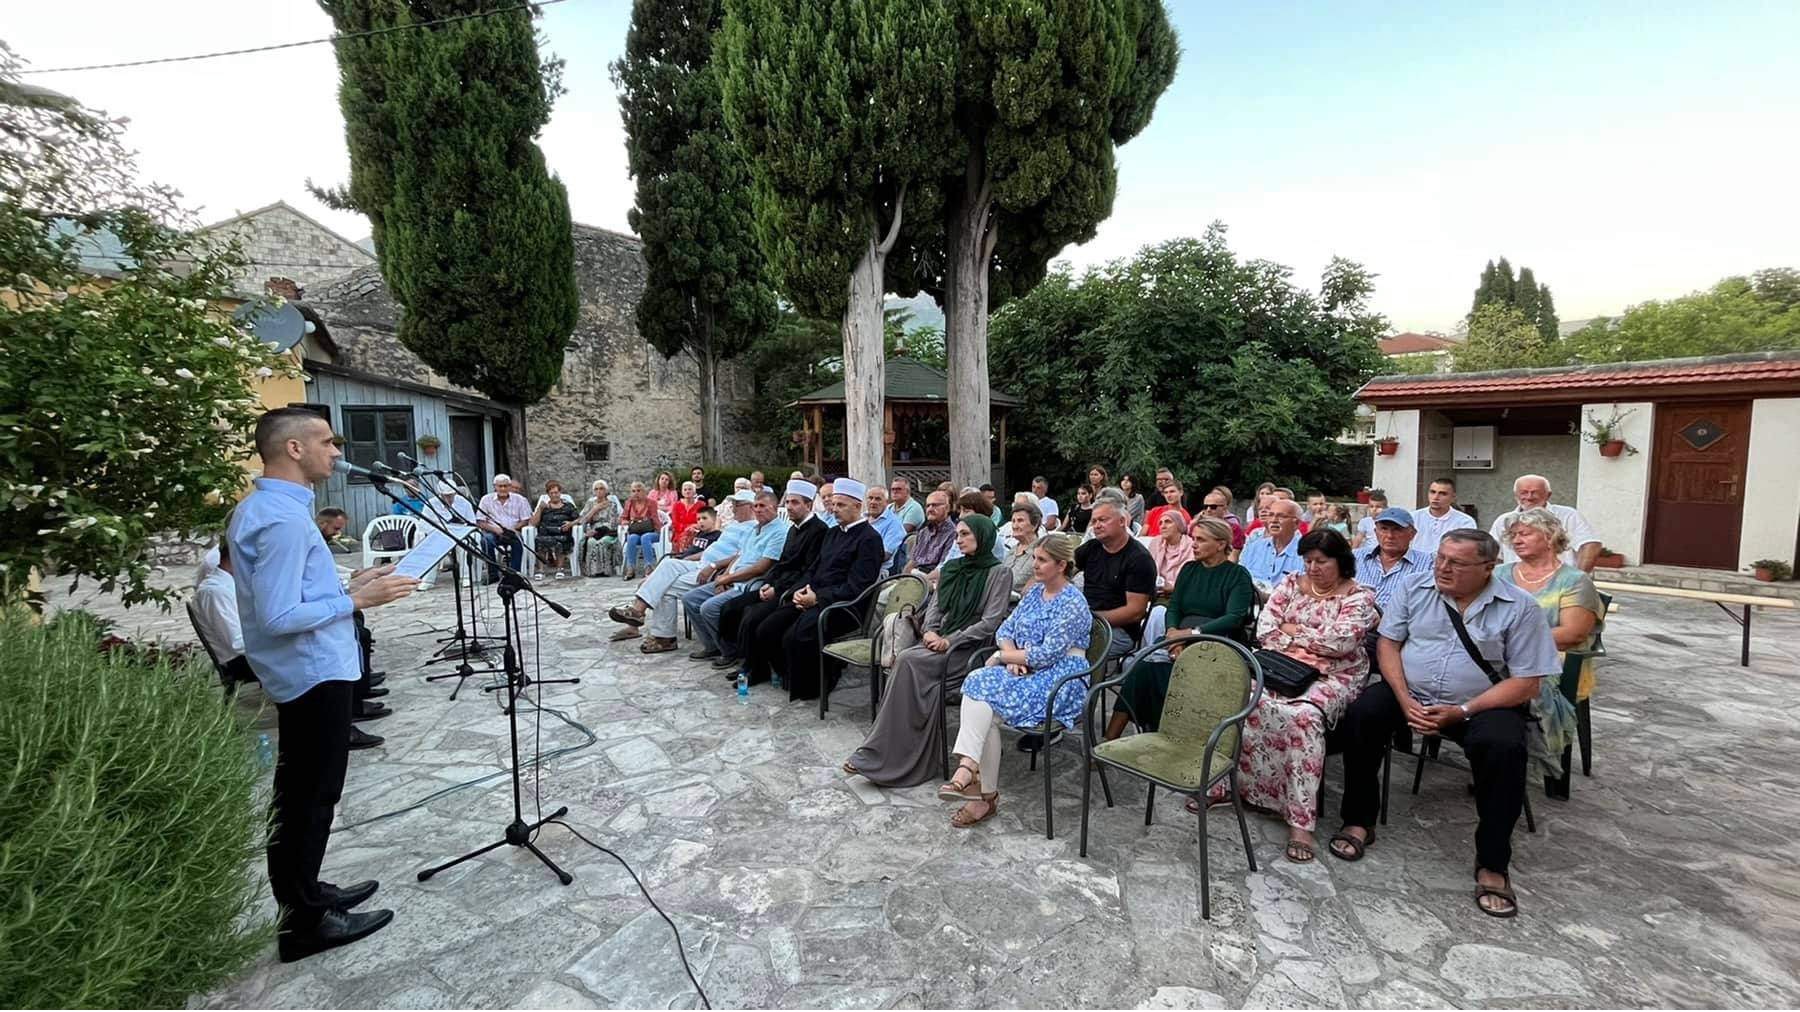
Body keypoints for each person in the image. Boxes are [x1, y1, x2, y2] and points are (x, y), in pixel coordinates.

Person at [229, 408, 417, 962]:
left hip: (309, 668)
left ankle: (307, 894)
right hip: (310, 672)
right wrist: (356, 601)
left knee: (310, 795)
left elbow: (292, 589)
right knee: (308, 799)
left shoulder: (271, 508)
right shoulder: (281, 519)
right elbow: (280, 614)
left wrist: (350, 580)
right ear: (292, 449)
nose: (336, 452)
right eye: (327, 442)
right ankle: (304, 922)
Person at [1331, 529, 1560, 920]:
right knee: (1362, 715)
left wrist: (1463, 711)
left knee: (1504, 750)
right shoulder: (1416, 586)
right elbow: (1389, 643)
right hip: (1411, 692)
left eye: (1456, 563)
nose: (1442, 568)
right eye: (1440, 558)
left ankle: (1492, 862)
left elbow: (1526, 682)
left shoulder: (1519, 607)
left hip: (1482, 703)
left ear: (1488, 567)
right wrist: (1403, 698)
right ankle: (1358, 820)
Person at [1219, 529, 1378, 862]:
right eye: (1308, 560)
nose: (1313, 567)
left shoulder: (1359, 596)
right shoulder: (1292, 583)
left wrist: (1293, 631)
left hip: (1334, 675)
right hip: (1282, 666)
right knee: (1235, 697)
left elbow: (1341, 644)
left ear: (1341, 561)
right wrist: (1310, 638)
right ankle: (1226, 787)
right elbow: (1265, 630)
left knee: (1302, 717)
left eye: (1321, 561)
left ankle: (1300, 823)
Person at [939, 533, 1093, 828]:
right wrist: (1009, 652)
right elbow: (1005, 629)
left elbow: (1047, 655)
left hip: (1060, 678)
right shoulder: (1035, 593)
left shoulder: (1073, 602)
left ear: (1062, 565)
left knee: (983, 697)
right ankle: (975, 778)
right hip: (1026, 667)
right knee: (979, 691)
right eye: (1034, 558)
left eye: (1042, 560)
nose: (1034, 564)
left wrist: (1003, 657)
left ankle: (976, 782)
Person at [846, 515, 1012, 787]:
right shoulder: (952, 569)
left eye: (966, 534)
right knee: (908, 663)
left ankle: (883, 752)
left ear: (983, 537)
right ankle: (886, 753)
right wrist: (930, 632)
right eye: (957, 534)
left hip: (969, 650)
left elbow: (990, 622)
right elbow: (935, 608)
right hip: (938, 643)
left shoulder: (999, 572)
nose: (959, 539)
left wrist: (951, 640)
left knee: (908, 661)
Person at [1103, 518, 1254, 740]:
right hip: (1179, 638)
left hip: (1218, 642)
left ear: (1221, 544)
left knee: (1162, 671)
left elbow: (1234, 617)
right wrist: (1173, 635)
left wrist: (1190, 634)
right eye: (1193, 539)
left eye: (1201, 540)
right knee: (1142, 667)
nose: (1193, 544)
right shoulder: (1189, 569)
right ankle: (1111, 739)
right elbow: (1174, 607)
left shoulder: (1236, 575)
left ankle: (1166, 733)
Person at [750, 478, 886, 700]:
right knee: (767, 627)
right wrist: (801, 590)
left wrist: (818, 598)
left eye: (841, 505)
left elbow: (858, 586)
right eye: (832, 504)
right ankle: (791, 676)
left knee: (796, 636)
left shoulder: (869, 539)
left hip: (844, 606)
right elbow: (814, 569)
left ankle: (814, 686)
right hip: (813, 596)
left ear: (857, 507)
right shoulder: (832, 533)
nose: (834, 510)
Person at [1496, 508, 1596, 791]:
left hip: (1550, 661)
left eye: (1525, 533)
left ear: (1550, 537)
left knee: (1500, 684)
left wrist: (1513, 643)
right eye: (1513, 535)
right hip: (1499, 655)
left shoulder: (1574, 580)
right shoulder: (1500, 573)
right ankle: (1490, 748)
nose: (1516, 540)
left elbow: (1573, 633)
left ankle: (1501, 755)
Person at [609, 493, 755, 652]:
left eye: (737, 504)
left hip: (715, 571)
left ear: (749, 506)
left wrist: (713, 566)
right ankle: (639, 612)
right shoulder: (733, 525)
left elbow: (740, 556)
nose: (732, 508)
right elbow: (713, 550)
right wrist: (690, 557)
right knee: (668, 563)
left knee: (664, 587)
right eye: (732, 504)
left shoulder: (753, 528)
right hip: (701, 563)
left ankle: (662, 635)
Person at [714, 480, 830, 675]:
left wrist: (777, 588)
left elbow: (807, 570)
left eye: (795, 503)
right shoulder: (794, 528)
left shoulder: (818, 530)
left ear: (808, 505)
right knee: (730, 608)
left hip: (793, 589)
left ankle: (756, 669)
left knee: (752, 616)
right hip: (777, 584)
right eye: (789, 502)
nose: (790, 507)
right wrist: (768, 583)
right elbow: (782, 563)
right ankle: (745, 660)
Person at [684, 490, 789, 661]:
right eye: (756, 506)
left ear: (775, 507)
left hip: (749, 582)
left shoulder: (780, 531)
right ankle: (713, 646)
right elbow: (739, 556)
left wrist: (729, 579)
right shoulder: (754, 529)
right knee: (690, 598)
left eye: (763, 506)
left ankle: (730, 651)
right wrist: (723, 577)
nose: (758, 510)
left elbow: (760, 568)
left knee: (709, 608)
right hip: (733, 578)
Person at [1074, 499, 1155, 661]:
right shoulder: (1091, 548)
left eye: (1103, 520)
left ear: (1122, 521)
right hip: (1083, 622)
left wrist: (1089, 619)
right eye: (1094, 521)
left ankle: (1078, 685)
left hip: (1117, 631)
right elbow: (1061, 570)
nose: (1096, 525)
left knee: (1066, 650)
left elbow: (1135, 612)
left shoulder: (1139, 559)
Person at [1488, 474, 1602, 571]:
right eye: (1524, 492)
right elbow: (1492, 553)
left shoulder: (1568, 515)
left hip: (1559, 584)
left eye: (1535, 492)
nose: (1529, 497)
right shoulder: (1503, 521)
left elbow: (1591, 545)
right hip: (1516, 585)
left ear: (1548, 495)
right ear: (1516, 495)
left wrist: (1578, 577)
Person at [1353, 507, 1432, 637]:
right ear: (1375, 532)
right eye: (1384, 529)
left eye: (1397, 530)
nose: (1390, 536)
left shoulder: (1427, 563)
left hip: (1401, 636)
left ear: (1412, 534)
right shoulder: (1355, 558)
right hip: (1356, 633)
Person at [1239, 497, 1305, 594]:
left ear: (1296, 523)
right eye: (1270, 515)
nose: (1274, 520)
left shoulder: (1306, 554)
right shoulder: (1253, 548)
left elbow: (1303, 591)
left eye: (1281, 516)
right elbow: (1239, 580)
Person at [476, 475, 533, 583]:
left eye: (505, 486)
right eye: (500, 486)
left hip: (513, 531)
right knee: (486, 541)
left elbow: (525, 519)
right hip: (494, 532)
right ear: (495, 487)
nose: (503, 489)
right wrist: (495, 529)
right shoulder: (486, 500)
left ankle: (514, 574)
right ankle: (493, 574)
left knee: (517, 542)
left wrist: (513, 528)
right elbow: (480, 521)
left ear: (510, 486)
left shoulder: (520, 500)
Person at [1410, 477, 1476, 556]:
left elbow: (1466, 549)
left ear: (1453, 497)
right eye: (1432, 492)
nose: (1435, 497)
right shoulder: (1413, 517)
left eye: (1443, 494)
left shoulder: (1465, 522)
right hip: (1415, 564)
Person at [528, 480, 580, 579]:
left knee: (561, 540)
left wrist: (571, 523)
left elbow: (579, 518)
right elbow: (533, 523)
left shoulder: (568, 506)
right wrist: (539, 509)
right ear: (548, 494)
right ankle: (541, 570)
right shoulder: (544, 507)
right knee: (540, 540)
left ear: (560, 493)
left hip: (561, 532)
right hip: (546, 532)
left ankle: (560, 569)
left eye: (556, 492)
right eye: (551, 493)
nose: (554, 495)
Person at [904, 490, 957, 576]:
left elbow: (943, 568)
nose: (930, 509)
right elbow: (912, 562)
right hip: (916, 577)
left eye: (935, 505)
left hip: (935, 579)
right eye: (928, 506)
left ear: (947, 508)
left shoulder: (953, 533)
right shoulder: (923, 532)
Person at [619, 481, 663, 580]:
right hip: (635, 531)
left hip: (651, 532)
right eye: (633, 491)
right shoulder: (629, 503)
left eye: (638, 491)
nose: (636, 493)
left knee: (645, 537)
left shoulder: (651, 503)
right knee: (631, 538)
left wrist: (659, 531)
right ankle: (631, 568)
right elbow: (623, 518)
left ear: (644, 492)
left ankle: (649, 567)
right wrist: (625, 522)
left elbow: (655, 518)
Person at [1146, 509, 1194, 599]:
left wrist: (1173, 587)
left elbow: (1192, 579)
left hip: (1181, 594)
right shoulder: (1156, 543)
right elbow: (1146, 570)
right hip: (1155, 592)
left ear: (1179, 525)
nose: (1163, 526)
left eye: (1168, 522)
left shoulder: (1191, 546)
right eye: (1160, 523)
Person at [579, 480, 623, 577]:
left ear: (606, 491)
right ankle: (593, 571)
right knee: (591, 542)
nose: (599, 491)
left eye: (601, 488)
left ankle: (606, 571)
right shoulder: (590, 504)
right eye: (596, 489)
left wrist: (598, 530)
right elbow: (583, 520)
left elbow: (613, 523)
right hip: (593, 531)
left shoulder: (612, 504)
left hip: (608, 531)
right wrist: (595, 509)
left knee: (603, 542)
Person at [1001, 502, 1044, 595]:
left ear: (1035, 525)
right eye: (1013, 521)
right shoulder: (1011, 550)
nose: (1015, 526)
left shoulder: (1042, 552)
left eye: (1020, 521)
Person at [864, 485, 907, 566]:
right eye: (870, 498)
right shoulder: (862, 518)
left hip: (878, 570)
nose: (873, 502)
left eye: (878, 499)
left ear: (886, 502)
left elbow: (884, 555)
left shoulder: (894, 524)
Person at [1196, 486, 1246, 554]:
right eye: (1205, 507)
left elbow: (1233, 556)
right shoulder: (1197, 527)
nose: (1208, 510)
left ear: (1224, 507)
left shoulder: (1234, 529)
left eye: (1213, 507)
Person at [670, 480, 705, 550]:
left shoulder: (701, 504)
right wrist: (687, 528)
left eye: (690, 489)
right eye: (685, 489)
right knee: (685, 536)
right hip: (679, 533)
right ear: (682, 492)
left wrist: (695, 527)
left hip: (696, 532)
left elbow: (703, 520)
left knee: (691, 535)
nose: (687, 491)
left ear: (694, 492)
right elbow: (675, 523)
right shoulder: (677, 505)